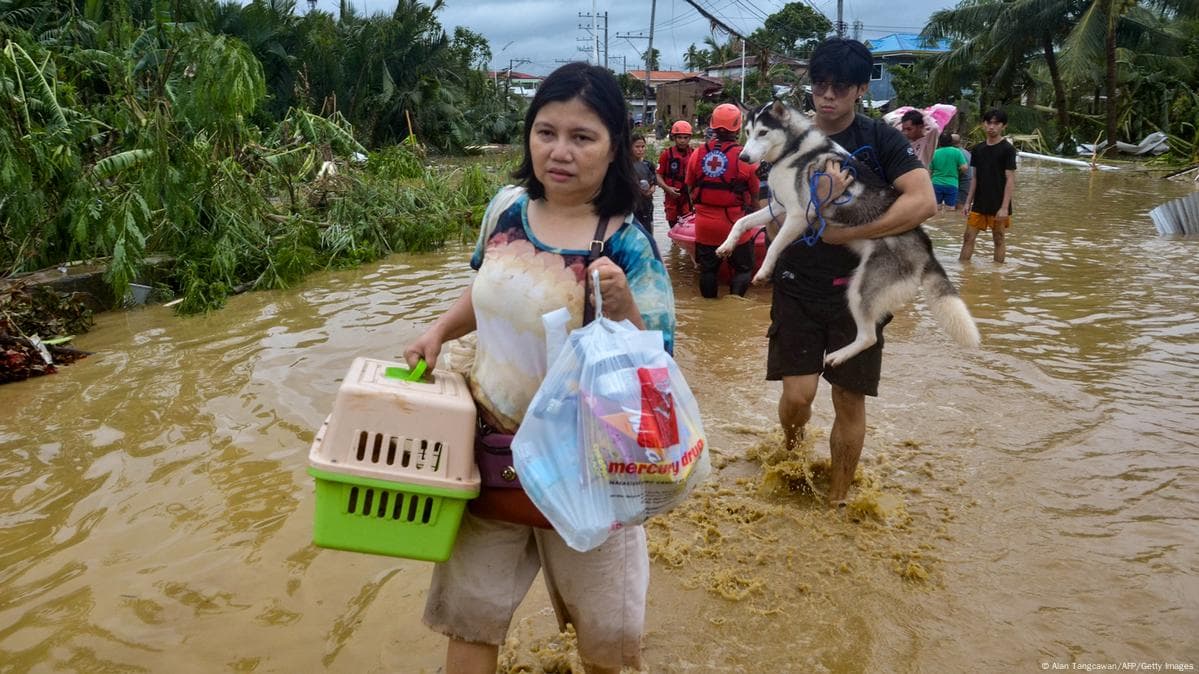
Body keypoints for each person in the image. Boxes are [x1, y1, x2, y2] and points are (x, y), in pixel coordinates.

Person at [403, 61, 676, 674]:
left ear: (615, 151)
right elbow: (490, 288)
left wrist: (628, 306)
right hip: (491, 453)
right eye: (546, 132)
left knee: (608, 642)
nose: (561, 152)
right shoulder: (506, 208)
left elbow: (660, 363)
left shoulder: (626, 240)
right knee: (470, 621)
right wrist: (438, 331)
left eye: (583, 138)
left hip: (591, 467)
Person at [769, 38, 936, 505]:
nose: (827, 96)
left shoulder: (881, 139)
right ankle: (790, 447)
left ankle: (838, 501)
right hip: (797, 283)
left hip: (860, 287)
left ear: (860, 89)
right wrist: (801, 217)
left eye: (839, 87)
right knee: (798, 398)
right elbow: (772, 207)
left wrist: (844, 233)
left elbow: (924, 201)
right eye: (820, 85)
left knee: (848, 398)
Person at [685, 103, 760, 298]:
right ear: (738, 127)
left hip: (704, 225)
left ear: (712, 125)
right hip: (735, 226)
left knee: (708, 270)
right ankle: (734, 305)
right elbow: (755, 193)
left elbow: (690, 185)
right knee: (744, 269)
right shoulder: (745, 157)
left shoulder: (697, 153)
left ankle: (708, 309)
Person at [959, 108, 1016, 263]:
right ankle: (963, 272)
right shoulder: (978, 149)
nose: (992, 127)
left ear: (1003, 126)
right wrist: (967, 202)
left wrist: (1004, 207)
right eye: (988, 123)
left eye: (996, 123)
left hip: (998, 203)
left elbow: (1010, 179)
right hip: (979, 202)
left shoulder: (1008, 149)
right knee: (968, 237)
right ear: (983, 124)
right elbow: (975, 178)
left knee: (998, 238)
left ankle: (997, 277)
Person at [656, 120, 694, 228]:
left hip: (687, 198)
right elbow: (658, 175)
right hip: (671, 198)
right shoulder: (666, 155)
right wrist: (667, 188)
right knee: (673, 228)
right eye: (679, 137)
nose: (682, 141)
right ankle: (674, 245)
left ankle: (680, 245)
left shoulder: (694, 154)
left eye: (685, 138)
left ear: (689, 138)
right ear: (674, 138)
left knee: (688, 226)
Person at [929, 133, 968, 212]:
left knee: (936, 209)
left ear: (939, 142)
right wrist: (957, 170)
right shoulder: (957, 152)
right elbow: (965, 168)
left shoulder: (935, 153)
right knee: (950, 210)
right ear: (951, 141)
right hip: (952, 184)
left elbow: (929, 171)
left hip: (936, 183)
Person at [631, 133, 657, 233]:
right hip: (631, 208)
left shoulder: (649, 165)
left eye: (642, 146)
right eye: (637, 147)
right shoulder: (625, 166)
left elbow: (654, 184)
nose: (640, 149)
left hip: (647, 207)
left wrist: (650, 190)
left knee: (648, 234)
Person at [952, 133, 973, 213]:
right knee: (965, 207)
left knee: (960, 208)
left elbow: (960, 170)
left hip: (964, 183)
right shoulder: (966, 152)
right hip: (970, 183)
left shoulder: (957, 153)